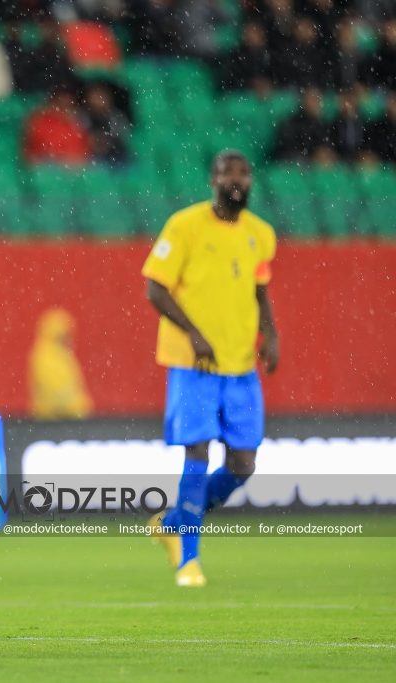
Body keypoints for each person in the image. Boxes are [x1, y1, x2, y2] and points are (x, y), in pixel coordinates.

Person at [142, 150, 280, 587]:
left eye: (243, 173)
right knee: (197, 453)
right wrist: (193, 333)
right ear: (212, 180)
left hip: (240, 365)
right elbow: (155, 287)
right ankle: (189, 558)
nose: (236, 180)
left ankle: (174, 522)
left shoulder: (261, 234)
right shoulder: (184, 226)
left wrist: (271, 333)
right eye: (227, 173)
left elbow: (259, 288)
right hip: (194, 363)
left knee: (243, 464)